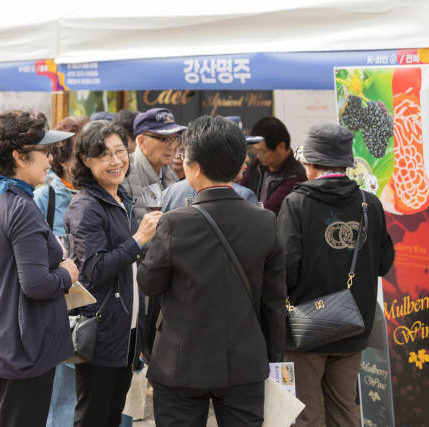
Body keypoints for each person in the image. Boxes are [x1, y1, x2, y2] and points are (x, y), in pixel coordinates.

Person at [138, 115, 286, 426]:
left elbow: (149, 282)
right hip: (244, 362)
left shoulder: (174, 223)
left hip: (181, 362)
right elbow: (274, 302)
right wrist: (272, 360)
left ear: (197, 168)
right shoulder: (264, 222)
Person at [277, 124, 395, 427]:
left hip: (305, 328)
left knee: (305, 413)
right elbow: (384, 263)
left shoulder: (296, 203)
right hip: (352, 325)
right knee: (344, 410)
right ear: (346, 164)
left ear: (311, 164)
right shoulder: (371, 204)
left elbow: (286, 270)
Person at [0, 110, 78, 427]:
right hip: (19, 352)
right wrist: (68, 272)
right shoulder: (19, 206)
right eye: (43, 151)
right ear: (19, 156)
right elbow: (37, 284)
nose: (49, 159)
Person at [64, 121, 162, 427]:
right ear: (85, 159)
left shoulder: (122, 201)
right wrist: (138, 241)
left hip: (127, 330)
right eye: (104, 154)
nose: (116, 160)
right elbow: (93, 270)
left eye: (121, 151)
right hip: (101, 329)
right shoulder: (86, 206)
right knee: (93, 416)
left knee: (113, 415)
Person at [31, 115, 86, 427]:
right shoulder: (46, 196)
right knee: (62, 396)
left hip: (97, 310)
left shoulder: (102, 196)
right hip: (62, 308)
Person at [121, 108, 184, 223]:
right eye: (164, 139)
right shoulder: (123, 173)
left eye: (174, 138)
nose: (172, 146)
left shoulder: (171, 174)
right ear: (141, 141)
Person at [240, 116, 306, 216]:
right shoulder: (258, 165)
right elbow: (240, 192)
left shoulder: (296, 177)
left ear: (281, 146)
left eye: (262, 152)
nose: (258, 156)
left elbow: (267, 211)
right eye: (256, 151)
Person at [34, 116, 88, 235]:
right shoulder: (44, 197)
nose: (87, 160)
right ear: (62, 159)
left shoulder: (100, 194)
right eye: (79, 155)